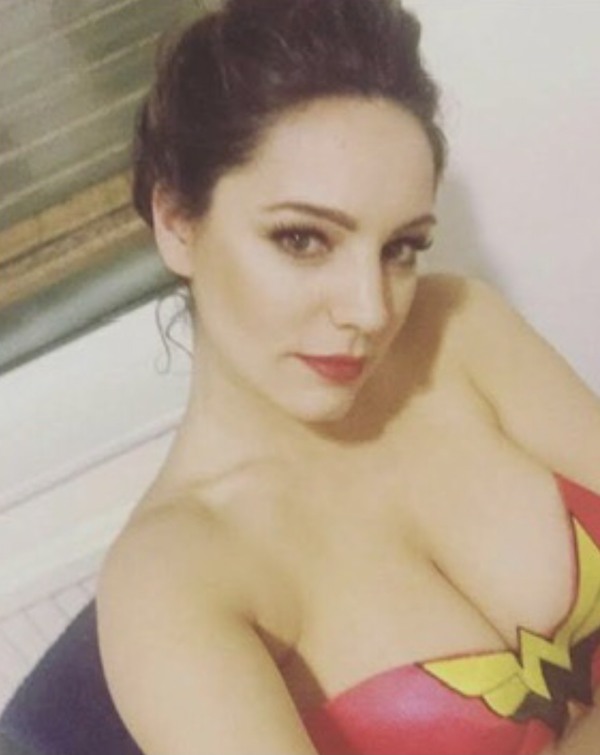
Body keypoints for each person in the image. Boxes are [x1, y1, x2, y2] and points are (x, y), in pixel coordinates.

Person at [96, 0, 600, 753]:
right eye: (302, 239)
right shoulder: (172, 582)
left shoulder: (460, 329)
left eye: (400, 248)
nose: (370, 309)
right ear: (177, 222)